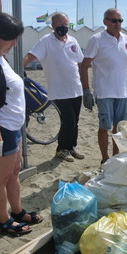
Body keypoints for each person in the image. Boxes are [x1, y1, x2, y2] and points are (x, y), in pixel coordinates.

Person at [0, 12, 42, 236]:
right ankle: (4, 221)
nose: (14, 43)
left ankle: (18, 211)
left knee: (15, 171)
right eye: (11, 38)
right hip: (2, 129)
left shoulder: (0, 57)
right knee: (1, 177)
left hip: (13, 127)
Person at [23, 12, 85, 162]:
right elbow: (30, 56)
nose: (63, 28)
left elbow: (80, 61)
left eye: (66, 25)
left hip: (76, 88)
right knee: (68, 121)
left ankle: (70, 147)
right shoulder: (46, 41)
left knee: (75, 121)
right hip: (58, 90)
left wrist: (85, 84)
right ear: (52, 26)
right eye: (60, 25)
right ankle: (60, 149)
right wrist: (17, 71)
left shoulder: (73, 40)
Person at [80, 8, 127, 165]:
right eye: (114, 20)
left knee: (120, 128)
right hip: (104, 91)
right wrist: (86, 90)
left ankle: (116, 159)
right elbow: (84, 66)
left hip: (123, 91)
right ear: (105, 22)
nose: (117, 24)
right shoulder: (96, 40)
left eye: (120, 21)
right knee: (104, 126)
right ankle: (105, 159)